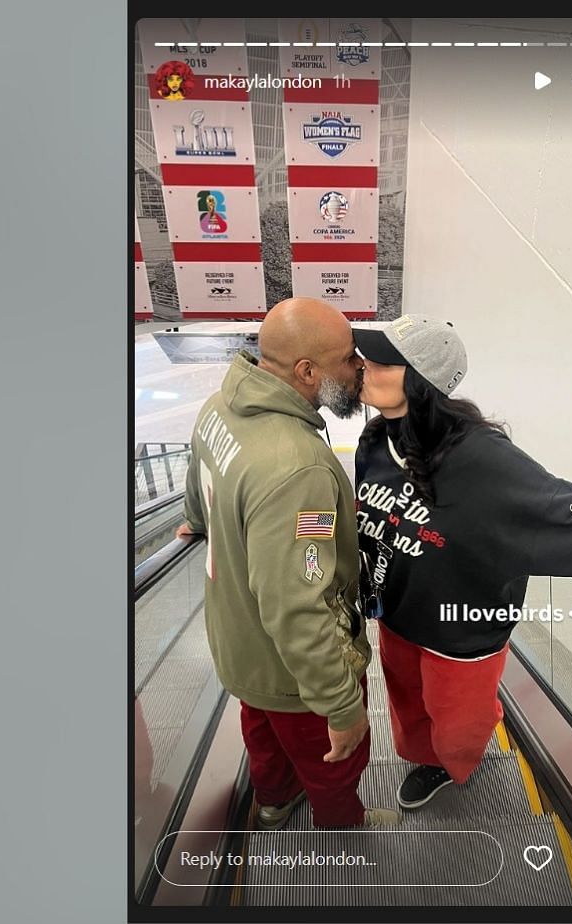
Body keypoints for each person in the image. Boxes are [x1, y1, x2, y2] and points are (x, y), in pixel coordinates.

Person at [350, 315, 572, 810]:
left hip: (462, 629)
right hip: (396, 614)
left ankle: (459, 756)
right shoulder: (375, 440)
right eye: (367, 357)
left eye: (382, 361)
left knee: (458, 727)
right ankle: (428, 760)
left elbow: (566, 516)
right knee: (409, 710)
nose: (365, 367)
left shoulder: (480, 457)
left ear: (421, 378)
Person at [179, 298, 398, 830]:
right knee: (333, 761)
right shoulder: (297, 469)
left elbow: (197, 480)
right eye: (349, 360)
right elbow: (298, 605)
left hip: (240, 646)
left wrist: (196, 520)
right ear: (307, 372)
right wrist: (341, 709)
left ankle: (274, 803)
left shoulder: (218, 408)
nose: (359, 370)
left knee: (262, 735)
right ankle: (343, 828)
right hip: (295, 674)